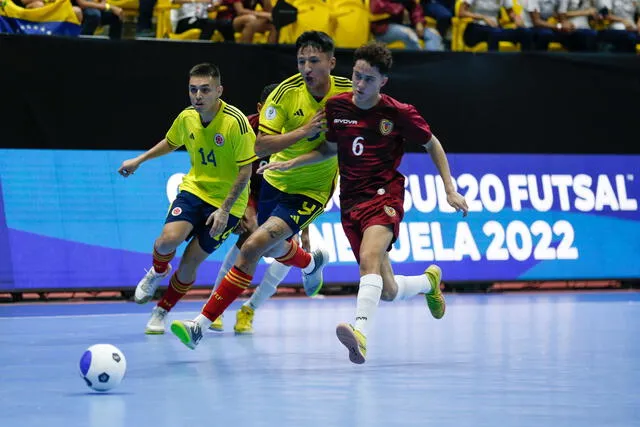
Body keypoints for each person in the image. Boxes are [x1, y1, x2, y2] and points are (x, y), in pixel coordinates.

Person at [260, 42, 469, 364]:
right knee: (385, 290)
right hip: (350, 200)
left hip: (384, 195)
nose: (359, 84)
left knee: (369, 258)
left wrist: (449, 189)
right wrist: (292, 163)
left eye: (368, 79)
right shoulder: (337, 107)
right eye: (356, 76)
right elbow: (329, 150)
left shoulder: (398, 113)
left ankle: (360, 333)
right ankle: (429, 282)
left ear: (383, 81)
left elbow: (432, 143)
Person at [169, 31, 352, 350]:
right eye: (301, 61)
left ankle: (202, 323)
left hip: (311, 189)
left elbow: (340, 143)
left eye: (313, 61)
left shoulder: (349, 93)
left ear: (331, 62)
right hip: (273, 181)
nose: (306, 68)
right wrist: (303, 131)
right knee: (265, 248)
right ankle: (309, 263)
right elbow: (261, 144)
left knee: (251, 247)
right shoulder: (283, 95)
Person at [117, 63, 256, 334]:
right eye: (193, 90)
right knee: (168, 239)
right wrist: (140, 160)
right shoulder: (187, 117)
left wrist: (226, 210)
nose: (198, 96)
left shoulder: (235, 123)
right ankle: (157, 271)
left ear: (219, 90)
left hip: (228, 204)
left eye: (205, 90)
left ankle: (161, 310)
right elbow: (171, 142)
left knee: (191, 261)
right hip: (195, 190)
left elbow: (246, 170)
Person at [208, 83, 311, 334]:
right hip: (249, 191)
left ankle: (250, 309)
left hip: (284, 194)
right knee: (249, 234)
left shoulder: (296, 131)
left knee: (289, 248)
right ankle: (216, 305)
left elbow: (307, 182)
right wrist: (236, 207)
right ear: (259, 108)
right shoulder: (244, 129)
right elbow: (227, 170)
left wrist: (305, 230)